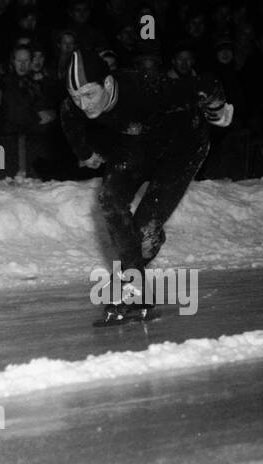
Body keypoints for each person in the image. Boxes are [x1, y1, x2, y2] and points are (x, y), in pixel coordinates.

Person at [60, 48, 233, 323]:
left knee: (143, 229)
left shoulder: (147, 89)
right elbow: (68, 117)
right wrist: (84, 152)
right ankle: (134, 283)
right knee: (109, 201)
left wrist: (217, 110)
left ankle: (137, 264)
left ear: (107, 83)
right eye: (76, 97)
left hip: (182, 147)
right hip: (138, 143)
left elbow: (208, 84)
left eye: (89, 95)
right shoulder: (78, 102)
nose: (84, 104)